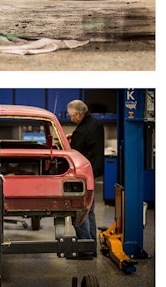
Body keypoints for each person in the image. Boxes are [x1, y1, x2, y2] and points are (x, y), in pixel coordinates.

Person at [66, 99, 104, 258]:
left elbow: (75, 153)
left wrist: (70, 142)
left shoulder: (80, 132)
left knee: (80, 211)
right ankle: (91, 245)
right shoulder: (96, 124)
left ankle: (85, 248)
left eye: (71, 116)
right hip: (93, 173)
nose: (70, 119)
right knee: (90, 210)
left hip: (82, 176)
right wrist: (73, 137)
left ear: (78, 114)